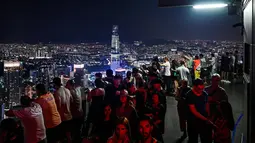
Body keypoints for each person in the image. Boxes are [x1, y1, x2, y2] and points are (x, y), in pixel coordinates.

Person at [185, 78, 214, 143]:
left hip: (203, 121)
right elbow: (194, 111)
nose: (201, 90)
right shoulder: (189, 95)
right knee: (193, 139)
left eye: (202, 88)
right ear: (194, 87)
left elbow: (207, 105)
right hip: (193, 121)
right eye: (199, 89)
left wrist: (208, 116)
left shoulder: (204, 94)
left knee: (205, 139)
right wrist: (205, 119)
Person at [53, 77, 73, 142]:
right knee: (68, 135)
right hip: (69, 116)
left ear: (54, 84)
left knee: (61, 137)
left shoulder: (57, 92)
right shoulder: (67, 90)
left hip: (62, 117)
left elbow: (58, 106)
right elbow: (71, 101)